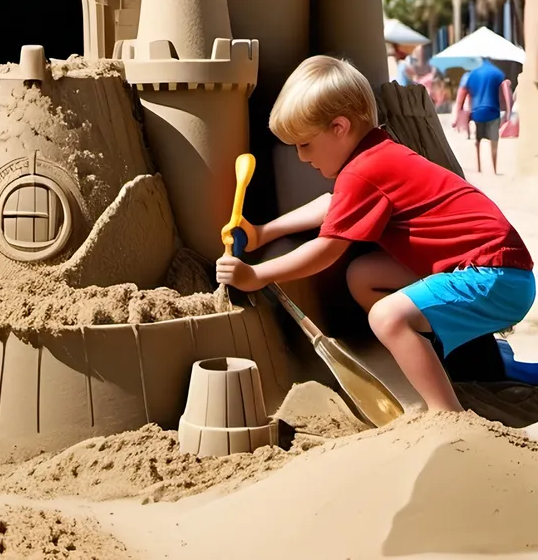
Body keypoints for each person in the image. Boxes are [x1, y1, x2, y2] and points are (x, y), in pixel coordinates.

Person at [217, 55, 534, 413]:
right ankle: (434, 356)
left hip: (493, 277)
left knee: (386, 317)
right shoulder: (374, 155)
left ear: (339, 127)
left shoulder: (363, 171)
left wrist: (257, 274)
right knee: (364, 275)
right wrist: (262, 232)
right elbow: (332, 205)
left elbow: (327, 250)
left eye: (304, 144)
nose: (302, 157)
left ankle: (447, 414)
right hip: (489, 269)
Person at [453, 58, 513, 174]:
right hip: (493, 110)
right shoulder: (497, 73)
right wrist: (508, 112)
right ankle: (494, 170)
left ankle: (479, 167)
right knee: (494, 141)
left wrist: (458, 114)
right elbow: (505, 90)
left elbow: (463, 94)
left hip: (477, 111)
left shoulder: (472, 74)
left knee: (478, 140)